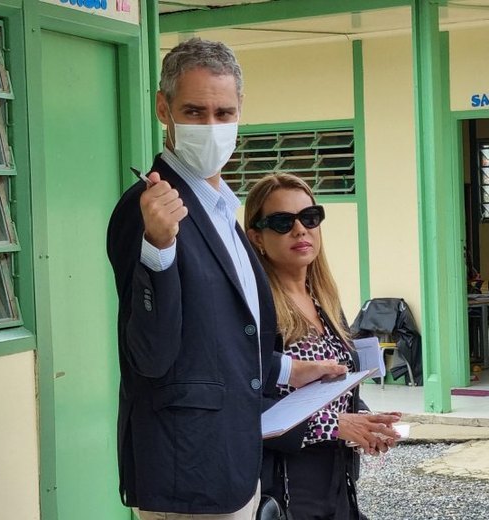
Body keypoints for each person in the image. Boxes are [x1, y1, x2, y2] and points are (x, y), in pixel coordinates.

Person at [106, 39, 344, 519]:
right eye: (194, 112)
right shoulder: (147, 210)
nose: (211, 127)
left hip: (234, 463)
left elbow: (218, 342)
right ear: (163, 109)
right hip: (187, 471)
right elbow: (149, 355)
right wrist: (158, 249)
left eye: (224, 113)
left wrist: (287, 370)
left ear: (240, 111)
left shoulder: (220, 209)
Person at [245, 173, 402, 519]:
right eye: (283, 222)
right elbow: (241, 399)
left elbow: (338, 388)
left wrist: (366, 423)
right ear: (257, 237)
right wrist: (333, 425)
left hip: (338, 481)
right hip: (286, 486)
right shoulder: (252, 308)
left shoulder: (325, 301)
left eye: (310, 217)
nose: (300, 230)